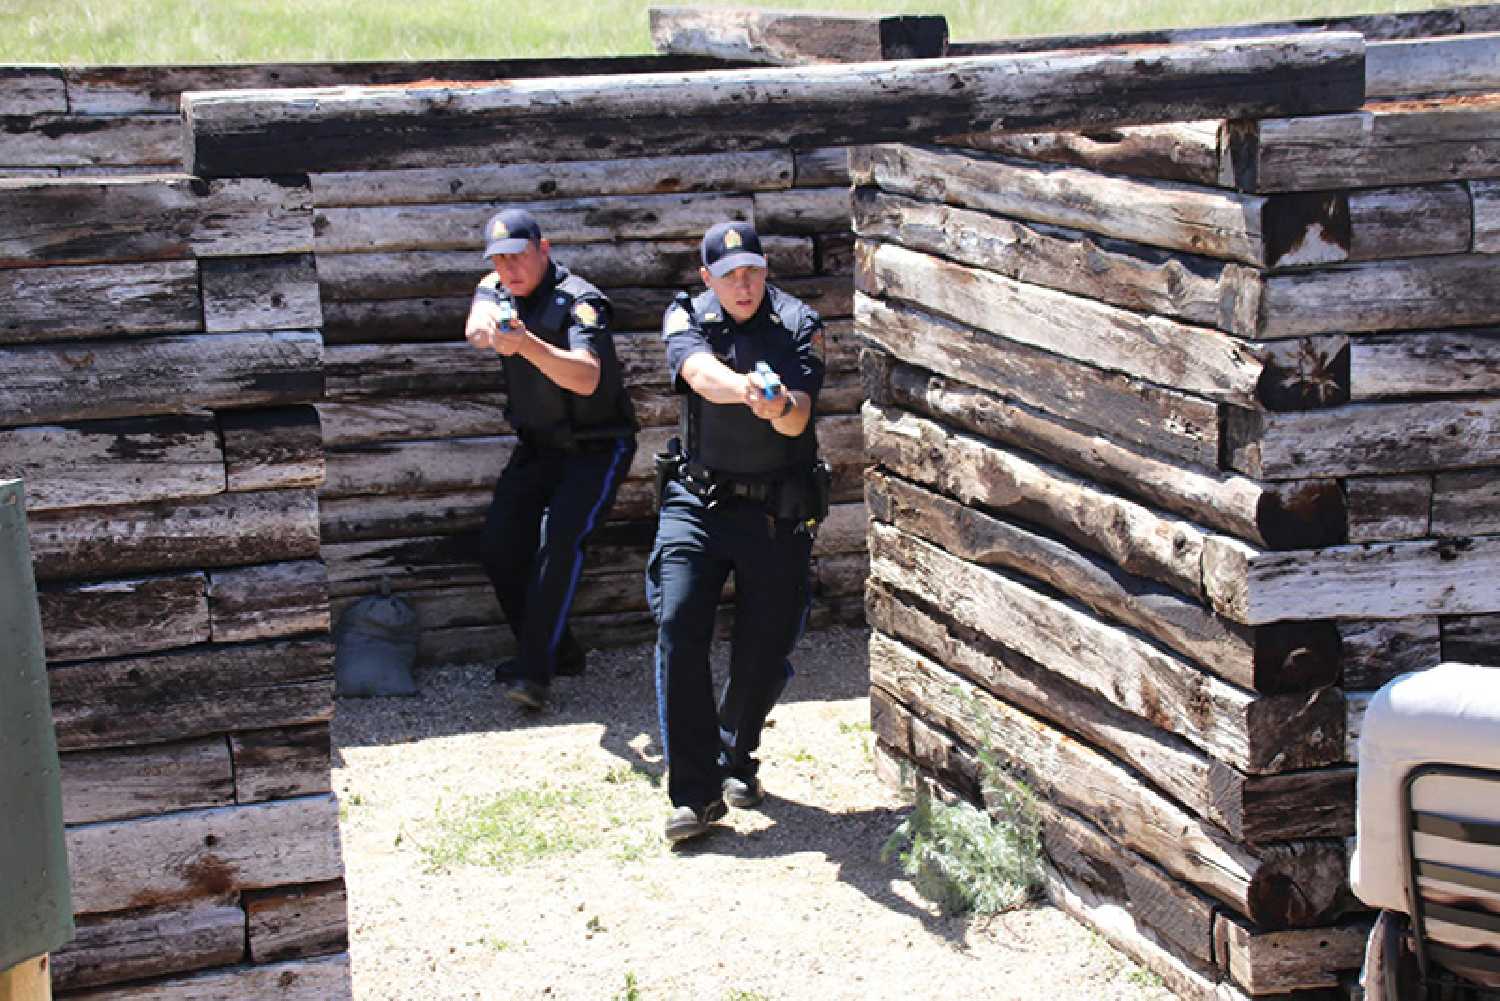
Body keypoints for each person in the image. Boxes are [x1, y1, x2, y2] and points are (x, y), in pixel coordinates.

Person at [646, 220, 830, 843]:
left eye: (751, 270)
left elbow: (799, 415)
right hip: (696, 501)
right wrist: (744, 388)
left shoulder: (800, 324)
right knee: (678, 626)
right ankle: (694, 796)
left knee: (763, 649)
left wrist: (777, 406)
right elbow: (696, 372)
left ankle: (736, 750)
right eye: (728, 276)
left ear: (765, 269)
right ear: (708, 280)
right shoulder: (686, 314)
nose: (742, 284)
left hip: (776, 510)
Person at [465, 208, 637, 710]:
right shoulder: (496, 285)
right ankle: (558, 651)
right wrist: (488, 328)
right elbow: (477, 320)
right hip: (538, 447)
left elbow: (586, 376)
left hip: (596, 447)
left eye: (518, 256)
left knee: (558, 543)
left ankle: (534, 672)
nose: (509, 269)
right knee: (499, 546)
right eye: (499, 259)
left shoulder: (580, 303)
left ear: (544, 249)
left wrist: (526, 346)